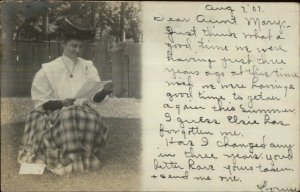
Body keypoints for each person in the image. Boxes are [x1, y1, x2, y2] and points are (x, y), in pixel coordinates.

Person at [18, 16, 112, 175]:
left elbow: (94, 99)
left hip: (83, 111)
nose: (77, 50)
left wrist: (103, 92)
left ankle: (84, 156)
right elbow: (41, 103)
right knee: (69, 114)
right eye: (73, 46)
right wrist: (61, 103)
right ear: (63, 44)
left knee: (90, 117)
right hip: (56, 112)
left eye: (80, 47)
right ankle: (69, 159)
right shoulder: (48, 69)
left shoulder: (88, 66)